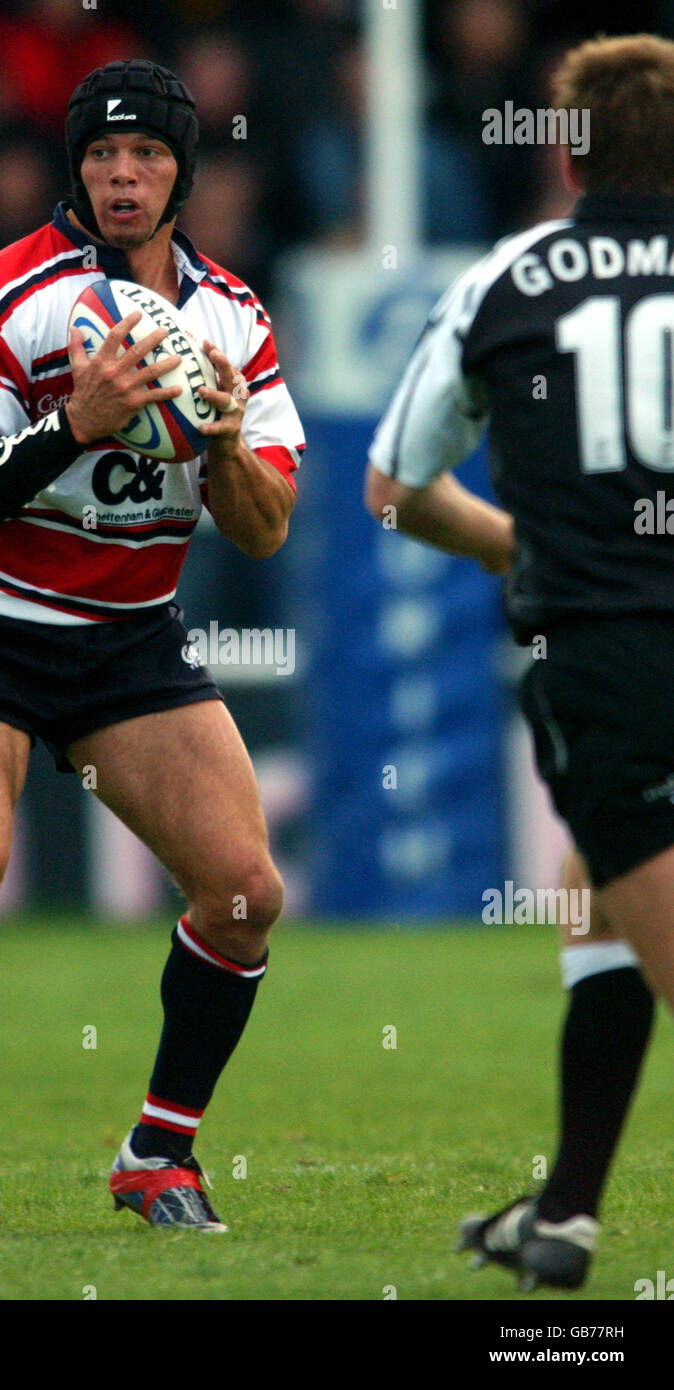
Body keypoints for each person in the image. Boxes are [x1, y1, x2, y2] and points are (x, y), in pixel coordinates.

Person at [0, 59, 305, 1236]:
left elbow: (263, 532)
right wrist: (78, 422)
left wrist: (213, 438)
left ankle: (158, 1152)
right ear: (76, 165)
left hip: (123, 641)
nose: (122, 175)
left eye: (148, 156)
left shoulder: (233, 318)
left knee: (245, 893)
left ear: (182, 172)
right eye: (102, 155)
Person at [363, 33, 674, 1291]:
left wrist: (509, 547)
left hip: (609, 656)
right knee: (594, 894)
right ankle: (566, 1214)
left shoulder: (510, 278)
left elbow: (393, 486)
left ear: (564, 152)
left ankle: (564, 1215)